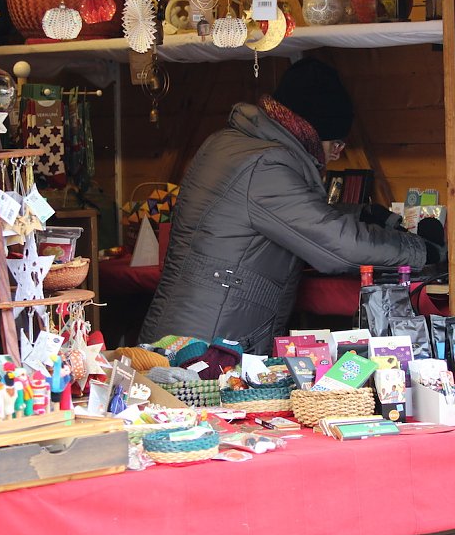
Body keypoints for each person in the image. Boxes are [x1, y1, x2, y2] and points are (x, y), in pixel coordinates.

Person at [138, 57, 439, 354]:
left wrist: (362, 214)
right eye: (335, 144)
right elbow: (339, 246)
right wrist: (422, 250)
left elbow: (289, 215)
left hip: (187, 332)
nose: (336, 155)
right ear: (311, 133)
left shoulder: (229, 145)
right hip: (207, 347)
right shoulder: (266, 165)